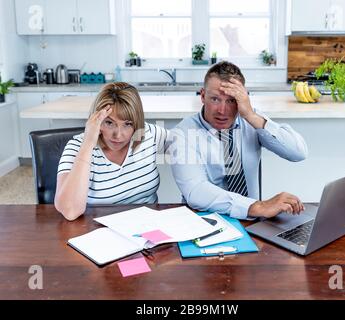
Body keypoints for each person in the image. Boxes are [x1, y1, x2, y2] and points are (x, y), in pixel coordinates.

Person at [169, 61, 308, 220]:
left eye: (231, 100)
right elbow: (196, 191)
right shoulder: (182, 134)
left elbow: (298, 152)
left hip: (254, 221)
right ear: (202, 96)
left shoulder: (250, 119)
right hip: (205, 221)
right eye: (215, 99)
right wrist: (258, 206)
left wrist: (251, 116)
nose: (222, 110)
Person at [55, 82, 168, 221]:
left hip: (150, 228)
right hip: (99, 232)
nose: (118, 135)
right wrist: (89, 143)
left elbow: (188, 145)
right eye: (109, 123)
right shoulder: (77, 147)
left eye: (127, 124)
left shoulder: (148, 134)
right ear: (95, 120)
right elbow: (70, 211)